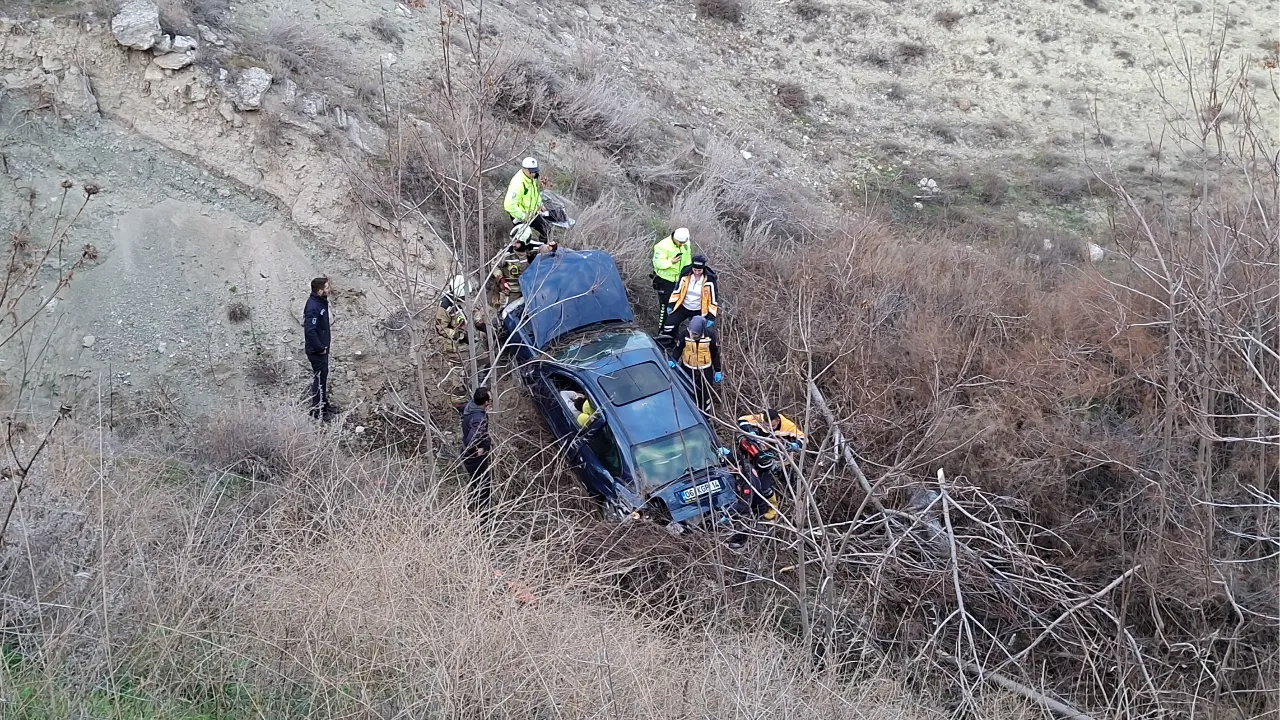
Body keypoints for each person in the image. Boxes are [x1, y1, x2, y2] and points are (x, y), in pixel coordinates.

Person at [303, 276, 340, 421]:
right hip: (317, 351)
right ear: (319, 291)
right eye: (326, 288)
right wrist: (320, 348)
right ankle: (317, 411)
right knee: (319, 379)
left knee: (322, 378)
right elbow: (309, 330)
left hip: (322, 348)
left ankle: (324, 406)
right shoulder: (313, 306)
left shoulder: (320, 302)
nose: (329, 289)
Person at [669, 315, 721, 413]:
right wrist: (673, 359)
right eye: (692, 333)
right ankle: (688, 412)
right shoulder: (684, 335)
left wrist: (718, 370)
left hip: (705, 369)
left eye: (695, 334)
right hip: (688, 368)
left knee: (705, 395)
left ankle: (705, 415)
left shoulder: (709, 336)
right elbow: (678, 349)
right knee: (687, 391)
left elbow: (714, 353)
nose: (693, 335)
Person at [662, 254, 719, 340]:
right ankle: (672, 342)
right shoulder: (685, 276)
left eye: (699, 270)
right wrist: (671, 305)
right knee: (668, 327)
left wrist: (711, 316)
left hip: (699, 310)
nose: (697, 272)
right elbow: (677, 291)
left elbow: (713, 300)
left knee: (697, 332)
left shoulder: (710, 280)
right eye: (695, 270)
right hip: (683, 307)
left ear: (703, 269)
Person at [460, 386, 494, 518]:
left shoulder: (470, 407)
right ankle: (484, 522)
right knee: (483, 489)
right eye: (490, 399)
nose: (490, 402)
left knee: (476, 486)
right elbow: (471, 440)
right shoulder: (479, 418)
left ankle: (474, 513)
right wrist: (479, 449)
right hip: (475, 458)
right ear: (486, 402)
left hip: (468, 456)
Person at [651, 227, 692, 331]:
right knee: (665, 308)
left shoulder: (686, 244)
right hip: (665, 281)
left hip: (680, 280)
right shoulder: (662, 246)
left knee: (677, 306)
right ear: (674, 238)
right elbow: (658, 263)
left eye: (684, 242)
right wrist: (671, 262)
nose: (682, 244)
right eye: (680, 242)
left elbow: (688, 260)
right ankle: (662, 332)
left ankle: (673, 331)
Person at [436, 275, 487, 353]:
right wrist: (461, 336)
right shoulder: (445, 307)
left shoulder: (464, 299)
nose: (464, 299)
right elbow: (441, 329)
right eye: (463, 297)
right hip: (458, 342)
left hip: (470, 333)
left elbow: (474, 310)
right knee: (481, 358)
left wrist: (480, 323)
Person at [504, 157, 549, 243]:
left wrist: (540, 204)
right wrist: (523, 216)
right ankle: (520, 255)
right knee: (522, 240)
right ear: (524, 169)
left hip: (532, 213)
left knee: (546, 229)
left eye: (535, 171)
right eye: (531, 171)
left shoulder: (531, 178)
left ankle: (543, 250)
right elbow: (509, 205)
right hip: (520, 216)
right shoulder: (517, 183)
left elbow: (534, 193)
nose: (533, 174)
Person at [738, 408, 807, 452]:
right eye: (767, 426)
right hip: (762, 446)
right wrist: (750, 431)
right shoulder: (760, 418)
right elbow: (742, 420)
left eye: (773, 426)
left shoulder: (788, 426)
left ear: (778, 421)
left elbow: (804, 439)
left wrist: (796, 445)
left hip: (781, 452)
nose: (770, 429)